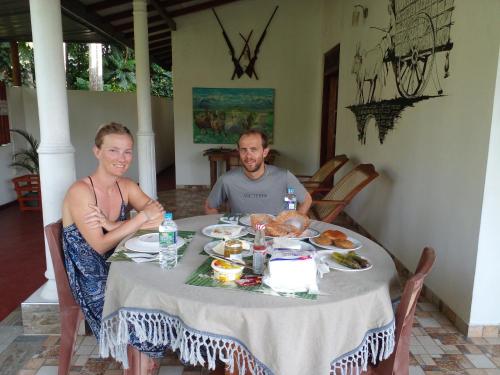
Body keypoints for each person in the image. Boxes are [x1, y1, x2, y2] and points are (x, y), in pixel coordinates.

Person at [62, 122, 166, 370]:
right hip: (90, 275)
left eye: (128, 151)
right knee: (139, 314)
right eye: (113, 150)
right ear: (97, 151)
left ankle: (144, 359)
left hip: (119, 263)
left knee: (156, 293)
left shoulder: (126, 186)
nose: (122, 158)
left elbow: (161, 218)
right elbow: (98, 246)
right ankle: (140, 361)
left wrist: (111, 223)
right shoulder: (81, 191)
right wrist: (138, 218)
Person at [204, 129, 312, 215]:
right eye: (243, 150)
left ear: (265, 152)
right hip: (241, 238)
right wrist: (221, 230)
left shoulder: (284, 177)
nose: (248, 156)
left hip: (276, 237)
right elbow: (210, 206)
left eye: (253, 149)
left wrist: (293, 226)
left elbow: (306, 200)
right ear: (238, 151)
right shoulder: (227, 180)